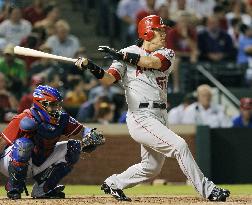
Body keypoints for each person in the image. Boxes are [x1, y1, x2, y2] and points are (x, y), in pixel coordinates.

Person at [75, 15, 230, 202]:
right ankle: (208, 190)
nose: (164, 34)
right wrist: (91, 66)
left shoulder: (167, 53)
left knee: (151, 167)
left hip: (160, 115)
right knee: (180, 146)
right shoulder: (126, 52)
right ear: (147, 32)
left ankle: (114, 183)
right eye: (160, 30)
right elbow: (109, 78)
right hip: (140, 116)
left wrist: (121, 55)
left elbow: (151, 63)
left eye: (164, 30)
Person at [0, 85, 105, 200]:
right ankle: (14, 187)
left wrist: (92, 134)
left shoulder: (63, 118)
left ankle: (43, 189)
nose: (56, 109)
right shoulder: (23, 117)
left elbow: (83, 130)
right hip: (10, 161)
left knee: (74, 147)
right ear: (40, 104)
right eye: (52, 105)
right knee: (24, 144)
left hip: (39, 161)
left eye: (57, 105)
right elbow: (2, 143)